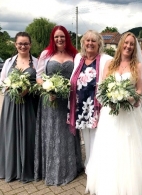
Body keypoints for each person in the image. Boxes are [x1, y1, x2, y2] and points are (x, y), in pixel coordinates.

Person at [85, 32, 142, 195]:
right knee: (110, 146)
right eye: (126, 43)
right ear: (121, 44)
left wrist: (131, 99)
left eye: (132, 44)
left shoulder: (138, 66)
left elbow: (140, 89)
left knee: (130, 148)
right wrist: (110, 100)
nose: (128, 46)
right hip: (111, 114)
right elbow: (102, 87)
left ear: (134, 48)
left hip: (129, 114)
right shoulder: (110, 64)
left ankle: (131, 185)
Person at [34, 25, 83, 186]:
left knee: (67, 133)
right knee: (52, 133)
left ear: (67, 38)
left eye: (62, 36)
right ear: (52, 39)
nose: (59, 39)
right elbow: (39, 76)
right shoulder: (45, 54)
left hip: (68, 100)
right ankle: (51, 169)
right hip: (51, 100)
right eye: (56, 37)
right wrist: (49, 89)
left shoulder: (74, 55)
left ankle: (70, 168)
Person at [68, 30, 113, 167]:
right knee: (86, 135)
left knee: (97, 135)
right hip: (80, 104)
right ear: (83, 43)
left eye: (93, 41)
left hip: (96, 105)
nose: (90, 43)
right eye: (87, 40)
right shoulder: (78, 58)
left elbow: (108, 83)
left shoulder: (106, 59)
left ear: (99, 43)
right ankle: (89, 163)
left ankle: (98, 166)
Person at [0, 32, 38, 183]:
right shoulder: (9, 62)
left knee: (29, 135)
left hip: (29, 105)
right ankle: (11, 169)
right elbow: (2, 82)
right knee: (10, 135)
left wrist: (29, 89)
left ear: (30, 45)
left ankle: (27, 169)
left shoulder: (36, 62)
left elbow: (40, 81)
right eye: (20, 43)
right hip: (11, 104)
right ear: (15, 45)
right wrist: (10, 88)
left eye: (26, 43)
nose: (23, 46)